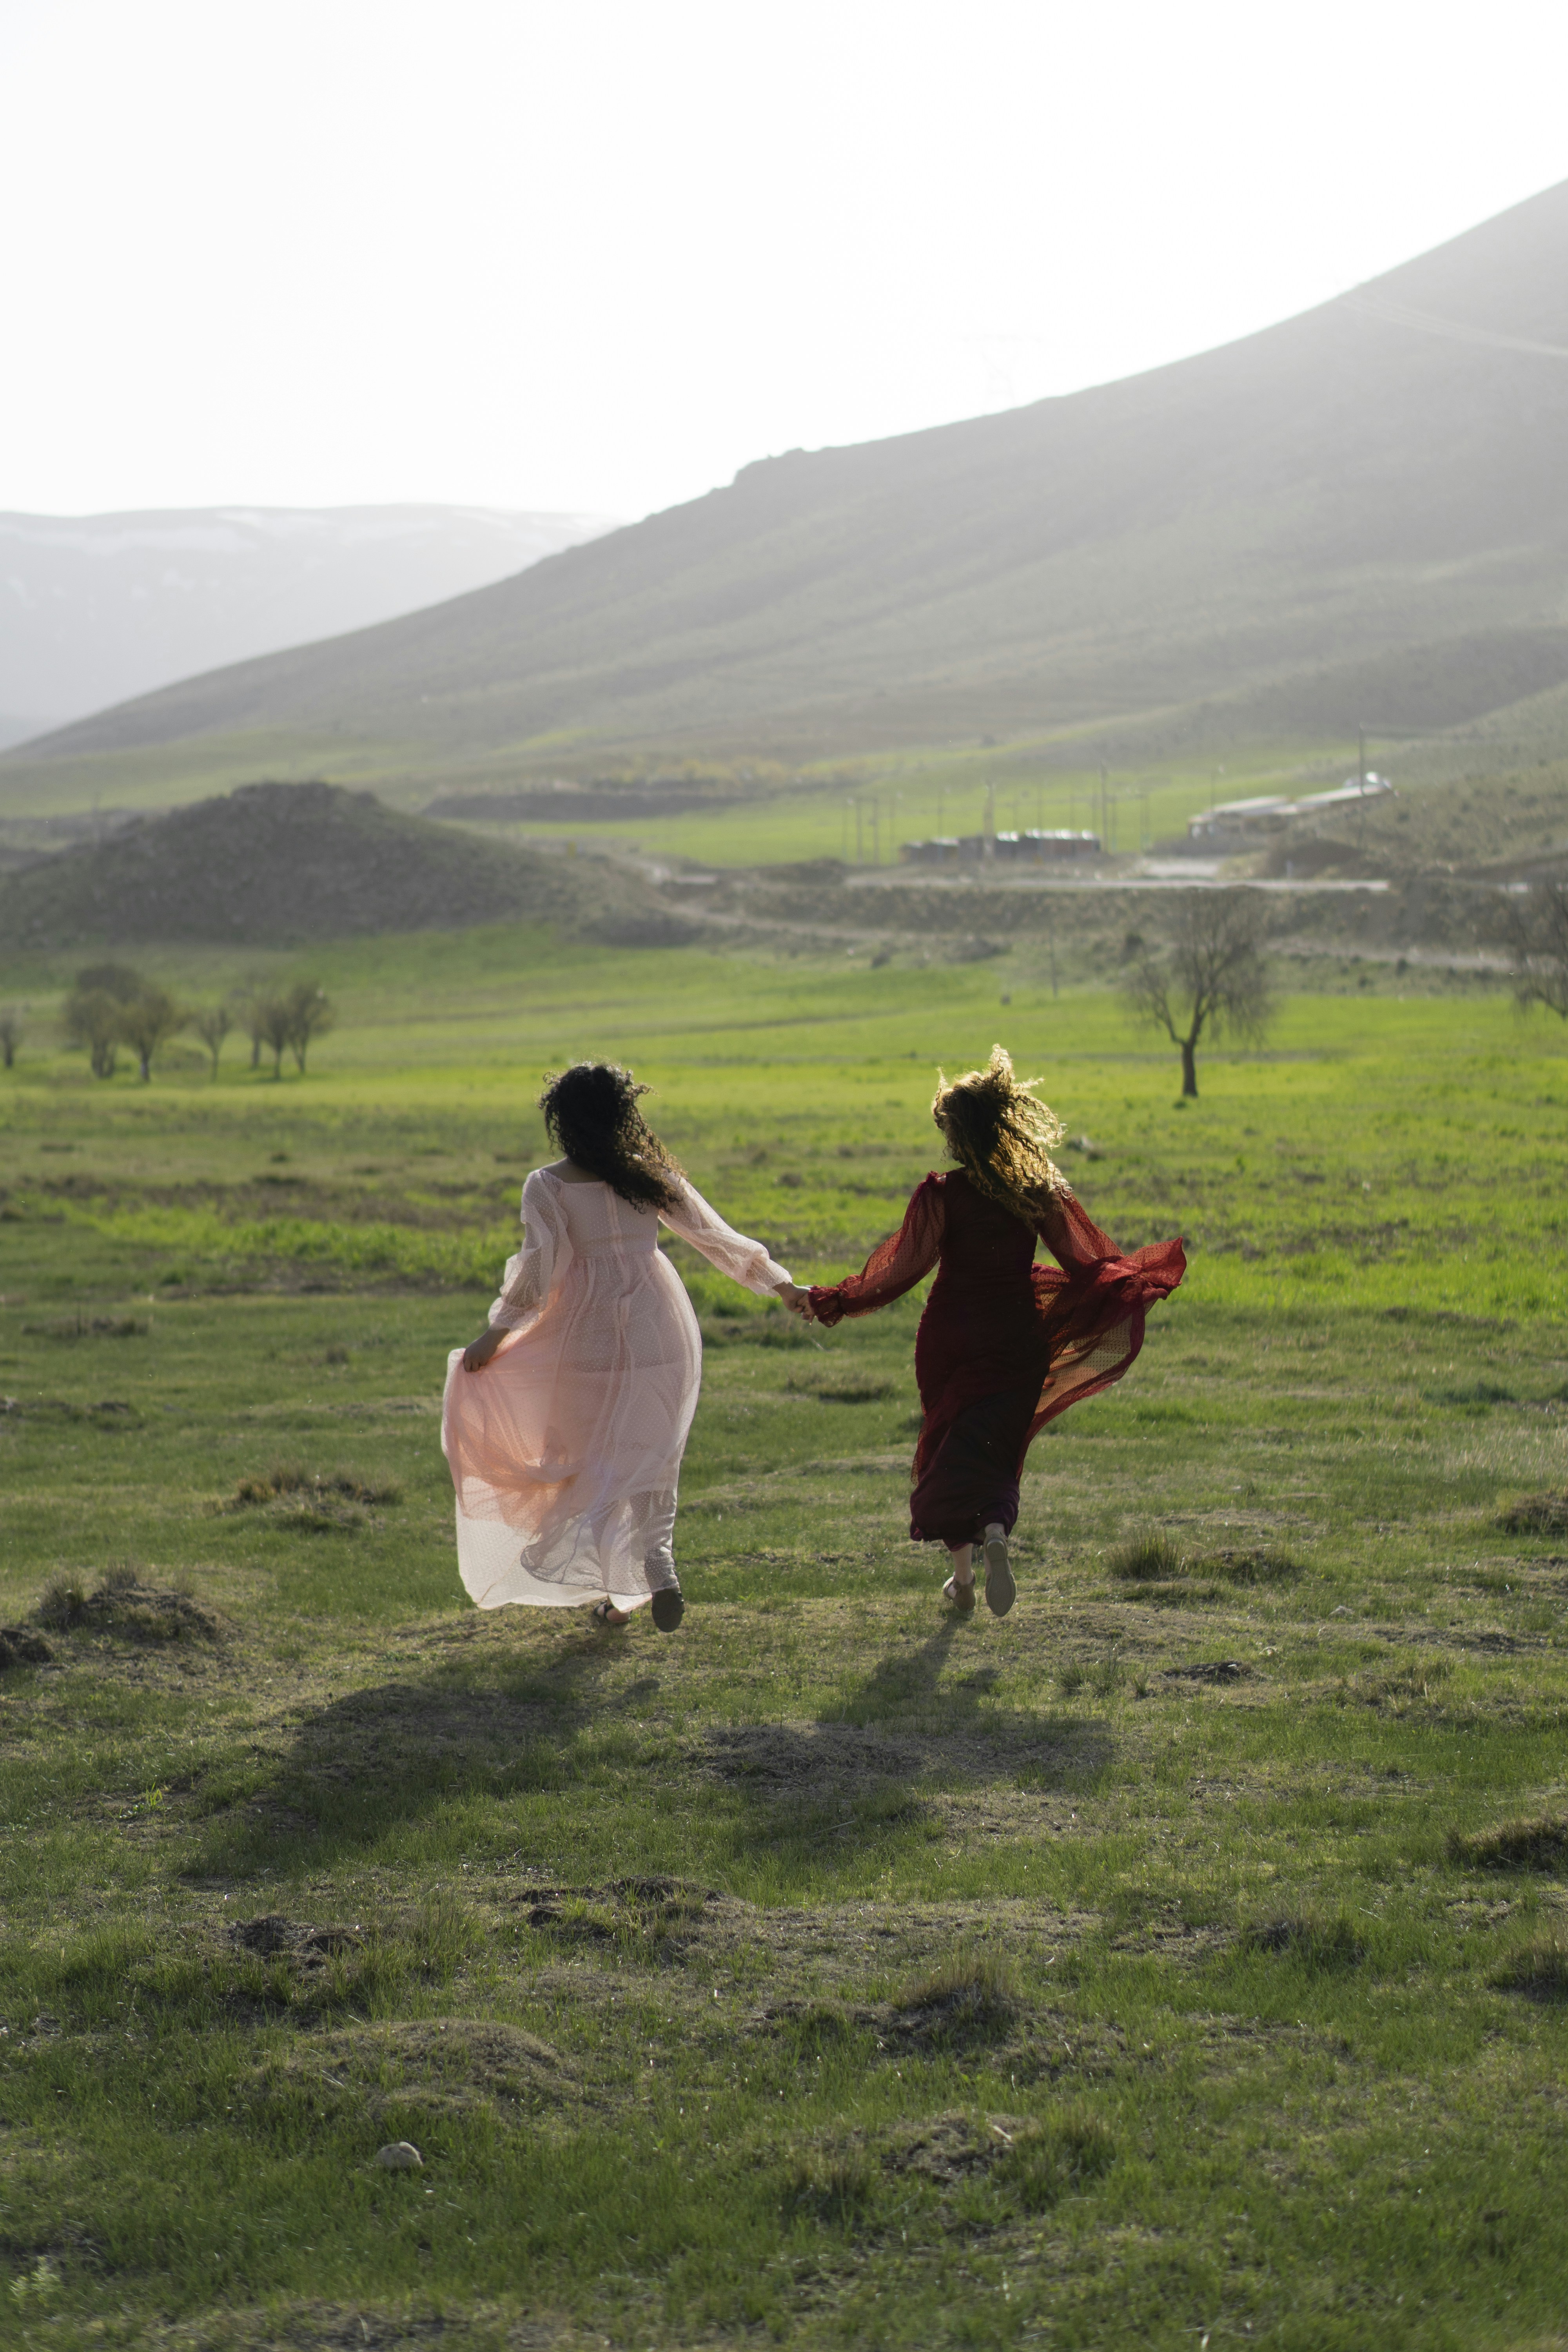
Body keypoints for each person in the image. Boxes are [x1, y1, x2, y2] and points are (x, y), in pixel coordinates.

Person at [804, 1046, 1185, 1616]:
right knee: (996, 1453)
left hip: (949, 1338)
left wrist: (834, 1300)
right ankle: (994, 1535)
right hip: (1015, 1340)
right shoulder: (1036, 1194)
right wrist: (1134, 1280)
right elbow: (1087, 1261)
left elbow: (898, 1272)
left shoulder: (942, 1195)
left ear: (960, 1137)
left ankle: (963, 1581)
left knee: (947, 1445)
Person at [443, 1062, 809, 1630]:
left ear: (561, 1121)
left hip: (584, 1332)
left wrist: (496, 1334)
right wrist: (778, 1283)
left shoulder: (548, 1184)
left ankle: (620, 1592)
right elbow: (713, 1235)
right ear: (624, 1115)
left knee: (588, 1459)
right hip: (658, 1320)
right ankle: (648, 1570)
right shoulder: (647, 1173)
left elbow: (537, 1277)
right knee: (650, 1453)